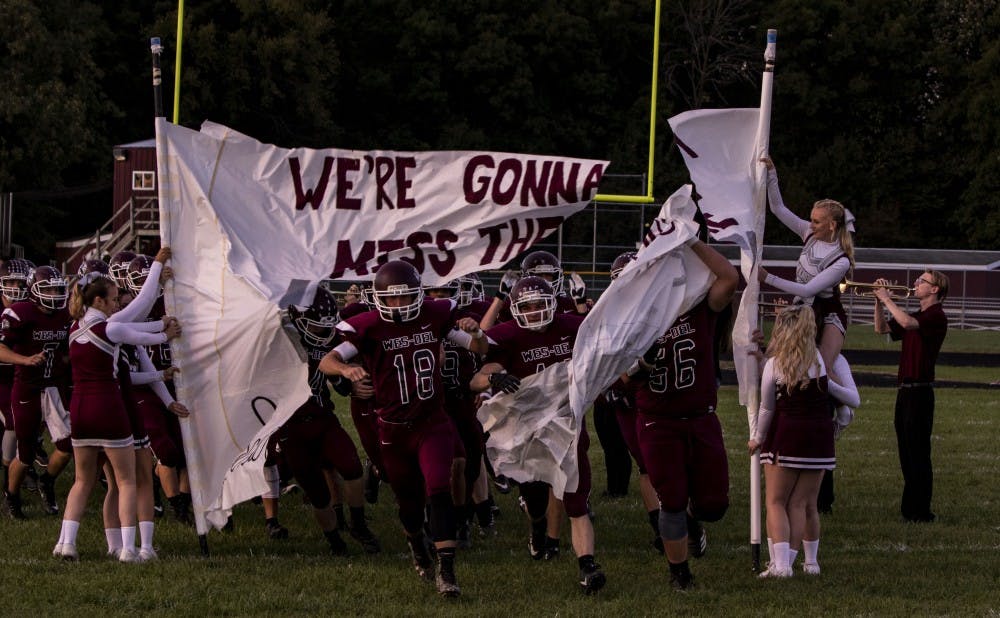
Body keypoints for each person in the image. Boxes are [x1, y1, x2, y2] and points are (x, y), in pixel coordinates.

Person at [319, 260, 486, 598]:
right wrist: (345, 371)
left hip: (432, 422)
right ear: (378, 298)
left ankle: (448, 571)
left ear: (418, 294)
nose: (398, 305)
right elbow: (327, 360)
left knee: (439, 488)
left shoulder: (434, 315)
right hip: (393, 430)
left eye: (405, 297)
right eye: (391, 299)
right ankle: (416, 543)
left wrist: (478, 333)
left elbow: (478, 348)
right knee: (409, 505)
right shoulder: (367, 326)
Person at [470, 276, 606, 595]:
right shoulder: (507, 335)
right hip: (525, 429)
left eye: (539, 305)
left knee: (574, 495)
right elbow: (476, 377)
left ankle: (587, 565)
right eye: (526, 306)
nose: (533, 312)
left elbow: (606, 334)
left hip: (566, 424)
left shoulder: (572, 326)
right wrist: (495, 379)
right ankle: (537, 525)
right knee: (534, 497)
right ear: (515, 310)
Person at [630, 240, 738, 590]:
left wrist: (690, 240)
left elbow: (729, 277)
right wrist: (638, 366)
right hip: (658, 421)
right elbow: (615, 372)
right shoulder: (635, 316)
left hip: (701, 417)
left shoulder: (699, 307)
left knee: (714, 504)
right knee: (672, 500)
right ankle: (680, 573)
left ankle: (695, 522)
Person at [52, 272, 180, 561]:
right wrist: (164, 332)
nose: (115, 306)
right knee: (127, 481)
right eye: (111, 300)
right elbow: (140, 334)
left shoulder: (73, 328)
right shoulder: (108, 329)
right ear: (98, 300)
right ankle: (128, 548)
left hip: (80, 410)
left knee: (82, 481)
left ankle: (67, 543)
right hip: (108, 408)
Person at [757, 156, 856, 511]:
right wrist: (772, 174)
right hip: (802, 314)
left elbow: (809, 289)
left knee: (820, 377)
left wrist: (766, 279)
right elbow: (778, 207)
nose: (810, 225)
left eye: (816, 221)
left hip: (826, 316)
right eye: (810, 220)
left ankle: (839, 421)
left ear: (832, 226)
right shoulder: (809, 234)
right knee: (784, 373)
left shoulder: (841, 259)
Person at [748, 305, 859, 578]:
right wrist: (837, 425)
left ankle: (782, 565)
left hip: (787, 436)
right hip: (819, 439)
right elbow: (848, 399)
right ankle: (804, 563)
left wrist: (757, 437)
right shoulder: (821, 362)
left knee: (775, 502)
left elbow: (767, 408)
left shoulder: (776, 364)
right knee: (801, 504)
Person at [277, 286, 380, 555]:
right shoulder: (280, 341)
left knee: (352, 467)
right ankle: (335, 540)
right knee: (317, 494)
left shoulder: (331, 341)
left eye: (326, 327)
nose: (324, 333)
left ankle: (358, 524)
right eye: (316, 327)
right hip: (291, 426)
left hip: (323, 417)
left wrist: (352, 384)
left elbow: (340, 385)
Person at [874, 270, 949, 523]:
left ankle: (921, 511)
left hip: (920, 391)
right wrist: (877, 301)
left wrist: (887, 299)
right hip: (905, 392)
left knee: (918, 452)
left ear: (935, 289)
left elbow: (906, 324)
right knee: (906, 452)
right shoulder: (916, 315)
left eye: (922, 281)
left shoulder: (936, 316)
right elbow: (881, 328)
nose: (915, 284)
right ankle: (910, 509)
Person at [0, 265, 74, 519]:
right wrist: (24, 359)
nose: (54, 293)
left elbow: (66, 349)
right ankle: (12, 495)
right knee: (26, 451)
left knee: (67, 446)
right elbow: (0, 349)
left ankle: (47, 481)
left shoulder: (65, 315)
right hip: (27, 388)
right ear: (34, 290)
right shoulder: (20, 313)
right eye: (48, 288)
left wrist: (67, 359)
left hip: (53, 387)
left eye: (57, 288)